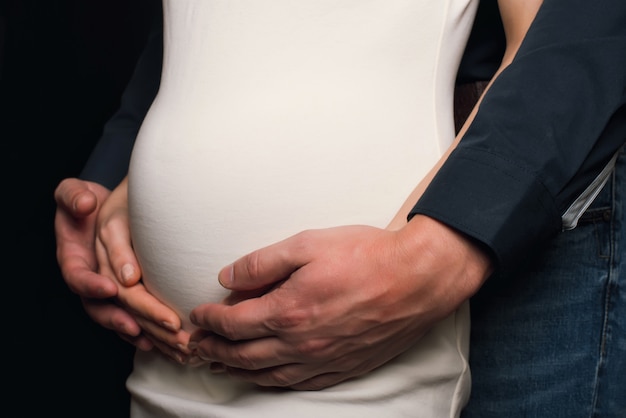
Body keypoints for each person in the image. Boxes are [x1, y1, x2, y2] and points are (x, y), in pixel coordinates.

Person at [55, 0, 626, 416]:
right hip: (168, 362)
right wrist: (123, 174)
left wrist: (431, 257)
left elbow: (577, 24)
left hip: (496, 199)